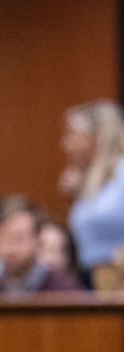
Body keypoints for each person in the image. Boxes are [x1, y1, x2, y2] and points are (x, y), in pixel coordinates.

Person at [62, 100, 124, 293]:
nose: (65, 144)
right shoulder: (86, 181)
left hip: (117, 279)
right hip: (90, 280)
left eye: (72, 135)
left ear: (97, 136)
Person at [0, 206, 85, 294]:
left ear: (37, 242)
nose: (11, 248)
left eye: (19, 239)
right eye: (5, 239)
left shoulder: (62, 288)